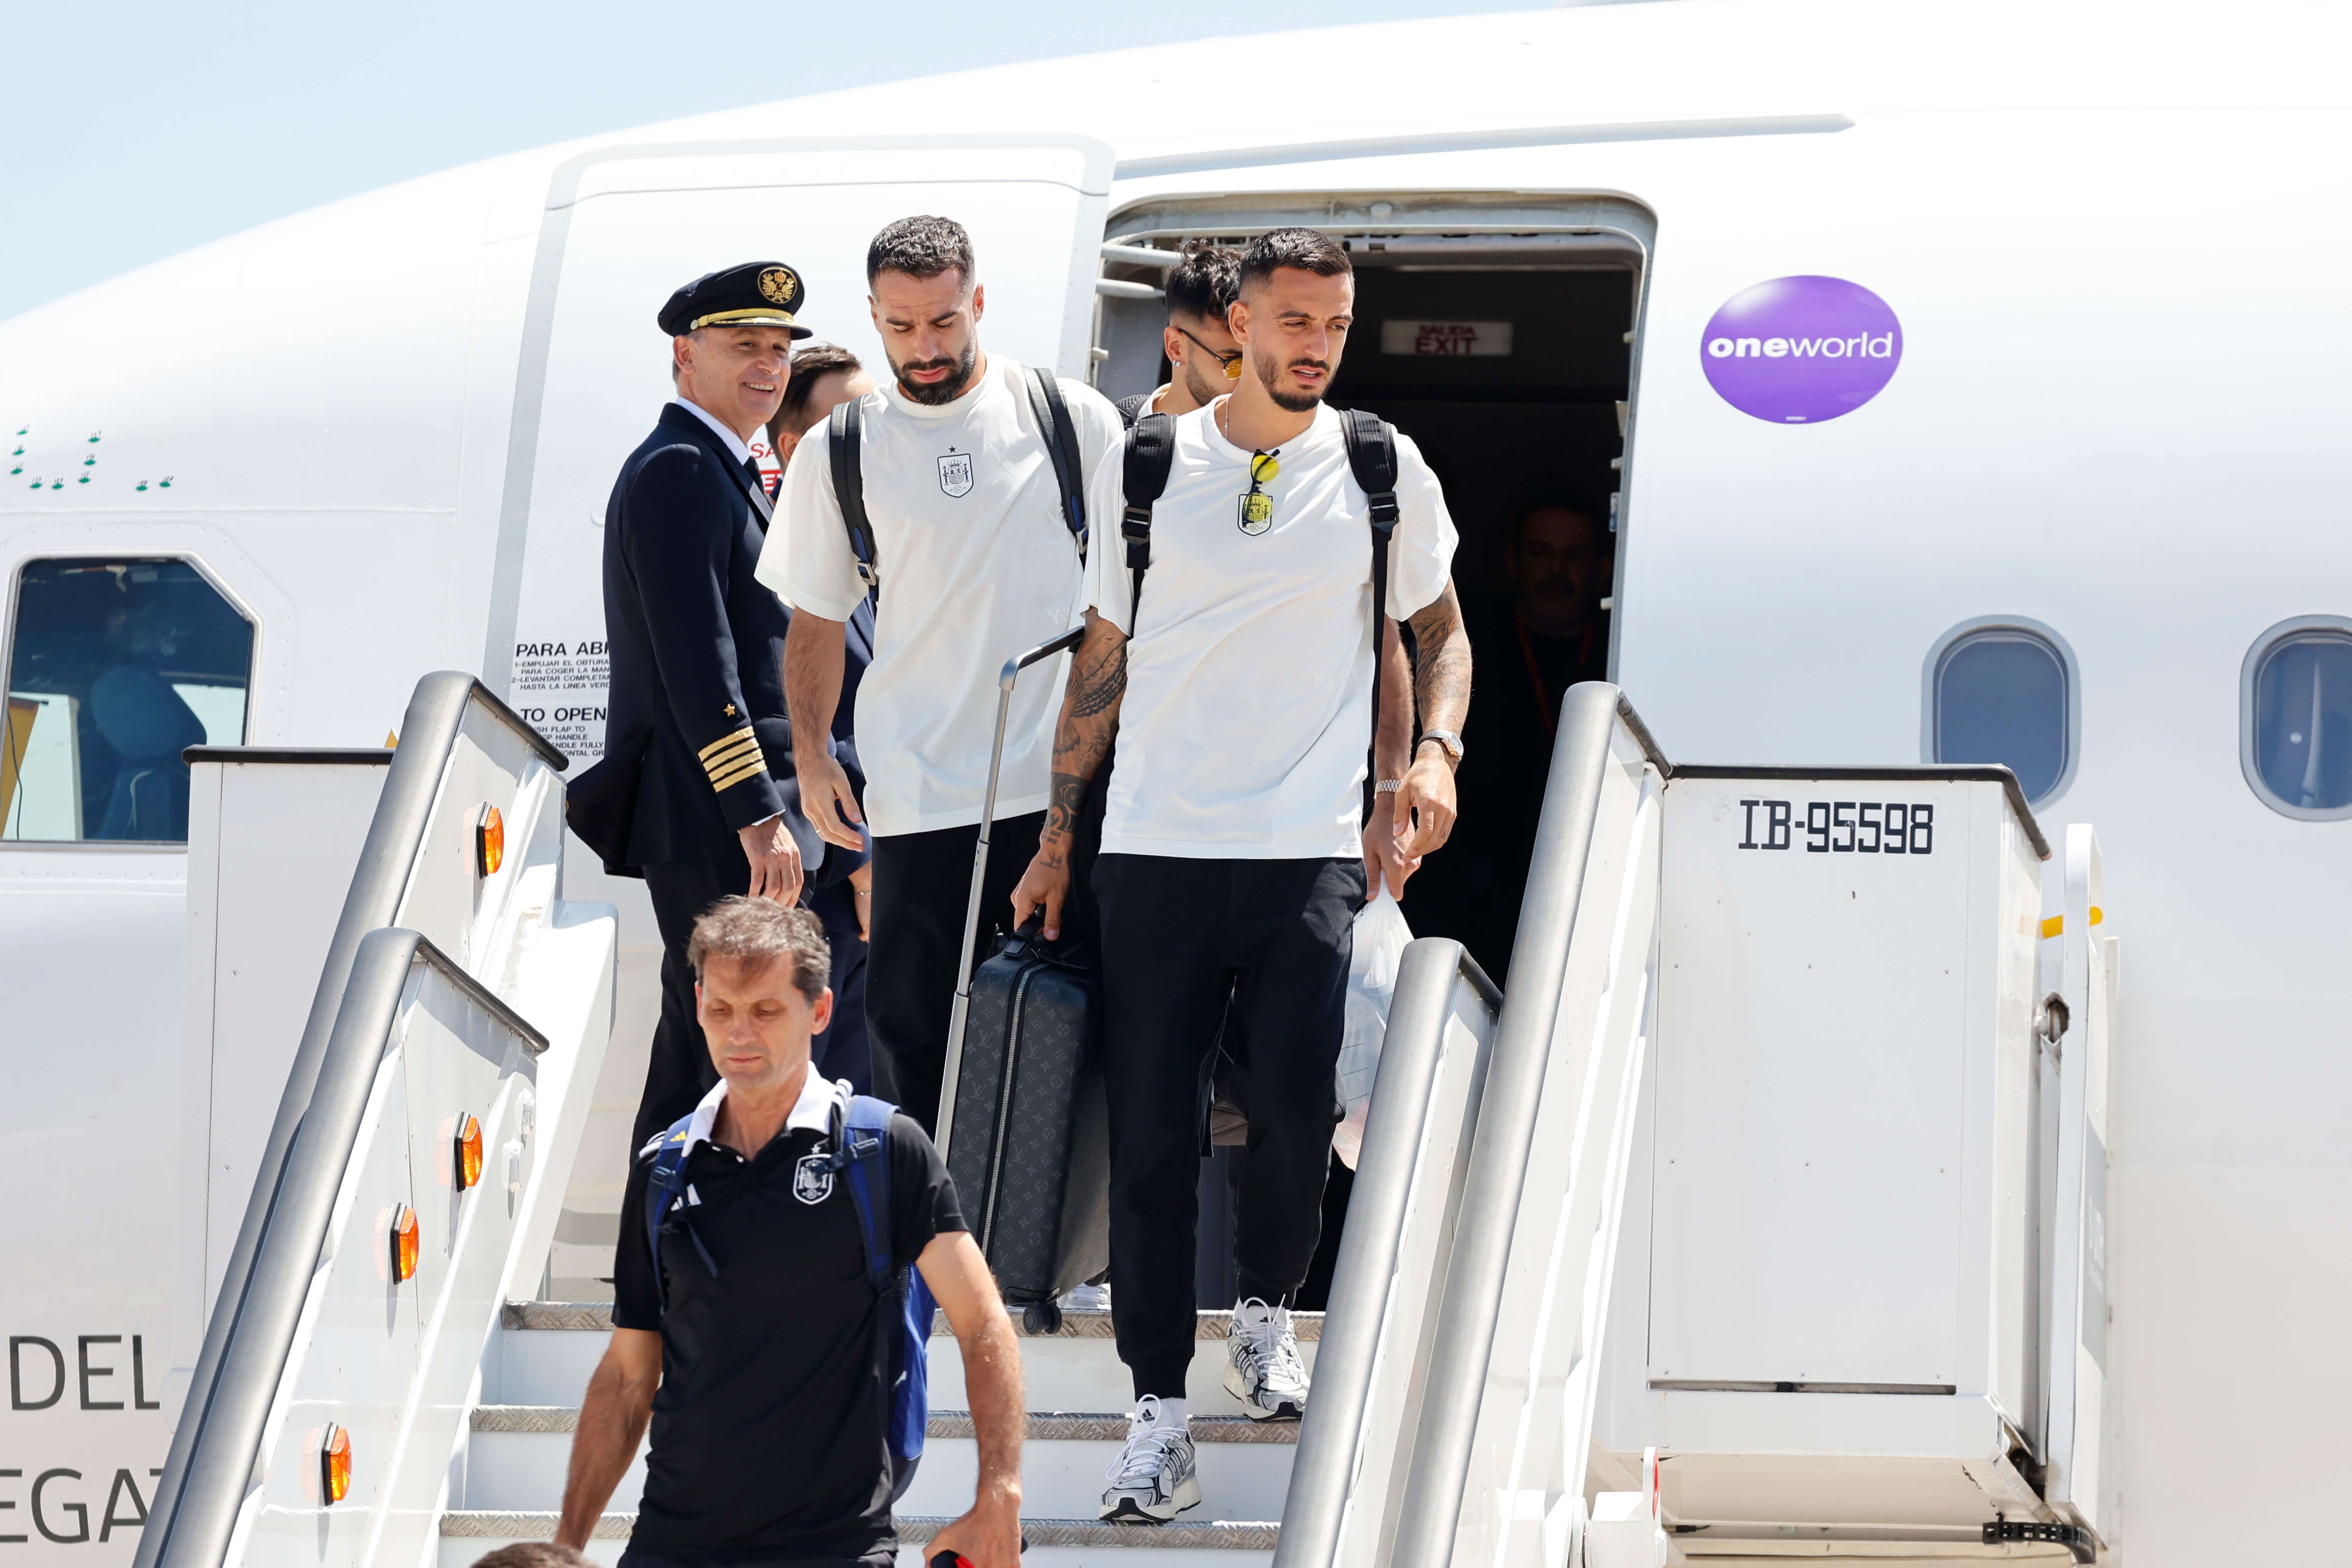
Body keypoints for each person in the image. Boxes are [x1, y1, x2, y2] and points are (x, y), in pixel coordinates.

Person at [1008, 228, 1472, 1522]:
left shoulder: (1382, 465)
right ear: (1238, 329)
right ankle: (1158, 1411)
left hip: (1309, 851)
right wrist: (1058, 840)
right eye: (1291, 323)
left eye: (1335, 323)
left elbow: (1439, 633)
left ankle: (1267, 1313)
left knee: (1290, 1126)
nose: (1315, 346)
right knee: (1153, 1141)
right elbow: (1099, 661)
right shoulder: (1151, 467)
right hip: (1153, 848)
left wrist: (1433, 755)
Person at [761, 215, 1125, 1135]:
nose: (924, 348)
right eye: (901, 327)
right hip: (918, 797)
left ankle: (1046, 1273)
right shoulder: (842, 448)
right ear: (876, 318)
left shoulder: (1071, 420)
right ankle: (925, 1271)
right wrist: (811, 753)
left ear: (980, 304)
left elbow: (1122, 614)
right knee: (914, 1047)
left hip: (1060, 794)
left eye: (944, 323)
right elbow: (815, 618)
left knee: (1067, 1039)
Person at [555, 899, 1023, 1568]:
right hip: (671, 1546)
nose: (739, 1034)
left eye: (766, 1011)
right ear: (697, 1007)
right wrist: (566, 1547)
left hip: (834, 1548)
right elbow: (630, 1375)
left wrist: (998, 1495)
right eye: (721, 1010)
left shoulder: (883, 1148)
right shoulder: (663, 1167)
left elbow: (983, 1324)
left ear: (821, 1011)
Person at [568, 260, 847, 1152]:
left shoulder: (723, 467)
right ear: (686, 358)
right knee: (721, 1049)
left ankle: (665, 1278)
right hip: (713, 814)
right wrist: (757, 816)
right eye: (743, 347)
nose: (767, 366)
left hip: (731, 812)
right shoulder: (684, 467)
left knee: (712, 1049)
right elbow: (701, 664)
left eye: (778, 348)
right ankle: (662, 1279)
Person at [1406, 503, 1610, 978]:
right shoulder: (1472, 645)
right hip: (1470, 896)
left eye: (1575, 555)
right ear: (1514, 563)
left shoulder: (1619, 652)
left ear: (1603, 568)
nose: (1556, 571)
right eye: (1542, 553)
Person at [765, 343, 883, 1090]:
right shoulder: (786, 565)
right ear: (793, 448)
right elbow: (815, 727)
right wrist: (865, 862)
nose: (869, 441)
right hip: (834, 884)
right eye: (849, 422)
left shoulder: (863, 550)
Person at [1116, 245, 1242, 425]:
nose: (1251, 380)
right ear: (1176, 347)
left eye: (1258, 361)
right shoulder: (1116, 431)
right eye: (1235, 364)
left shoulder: (1278, 445)